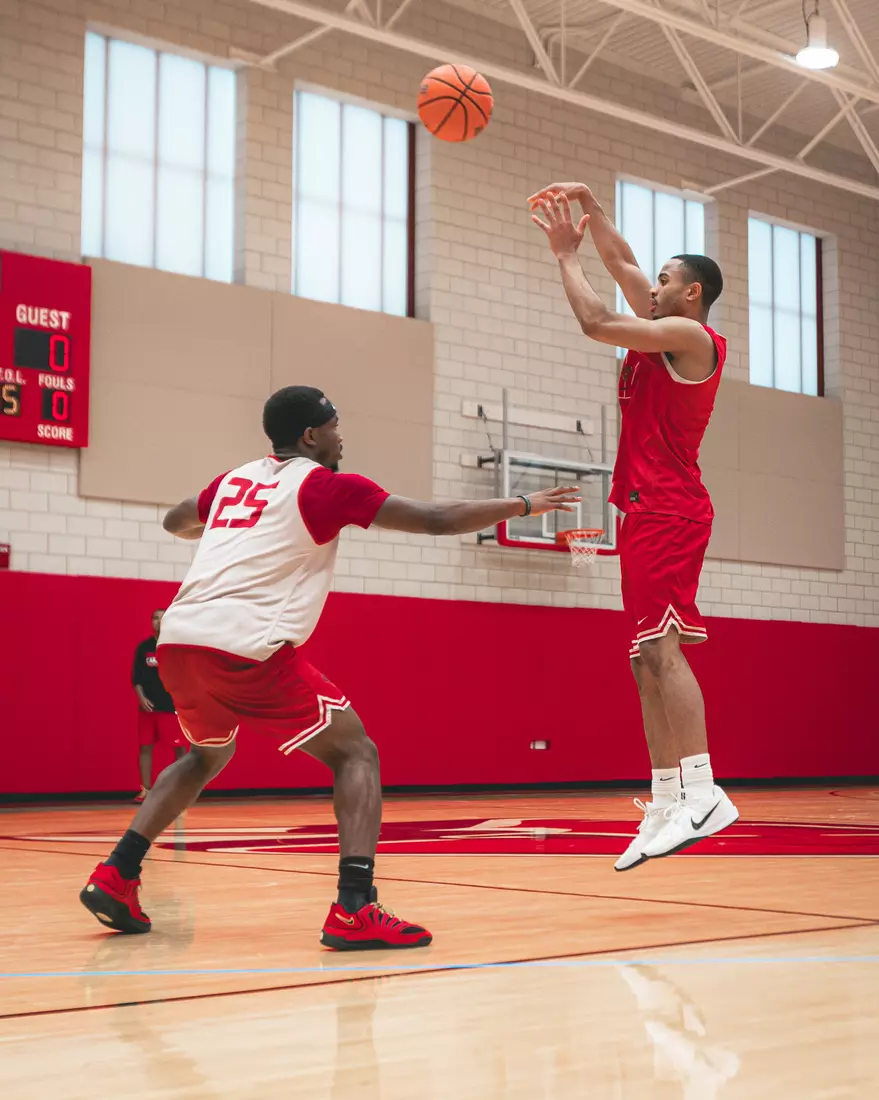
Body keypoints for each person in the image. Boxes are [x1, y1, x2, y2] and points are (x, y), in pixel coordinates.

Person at [80, 385, 579, 948]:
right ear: (311, 436)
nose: (343, 435)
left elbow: (176, 521)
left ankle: (117, 873)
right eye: (336, 425)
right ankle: (355, 906)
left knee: (206, 754)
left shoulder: (234, 479)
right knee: (355, 751)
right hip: (243, 645)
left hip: (177, 641)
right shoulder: (327, 487)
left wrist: (226, 525)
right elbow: (437, 519)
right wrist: (524, 505)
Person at [528, 182, 739, 871]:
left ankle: (705, 791)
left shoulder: (687, 336)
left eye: (667, 279)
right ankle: (667, 796)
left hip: (671, 507)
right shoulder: (667, 322)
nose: (652, 284)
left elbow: (594, 319)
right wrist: (593, 206)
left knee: (663, 651)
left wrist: (565, 255)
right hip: (647, 507)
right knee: (643, 658)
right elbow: (621, 263)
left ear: (691, 295)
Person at [131, 609, 186, 802]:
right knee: (145, 747)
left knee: (179, 748)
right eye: (155, 618)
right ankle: (145, 789)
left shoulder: (173, 647)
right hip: (148, 708)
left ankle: (182, 789)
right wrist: (141, 698)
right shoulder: (143, 647)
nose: (158, 622)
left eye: (162, 619)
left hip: (170, 706)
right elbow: (136, 677)